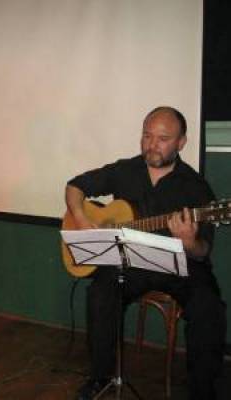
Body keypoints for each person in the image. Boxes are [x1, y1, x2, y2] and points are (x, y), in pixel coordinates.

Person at [66, 106, 226, 400]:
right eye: (146, 136)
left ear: (181, 143)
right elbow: (75, 186)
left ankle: (203, 391)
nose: (152, 144)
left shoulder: (196, 188)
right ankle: (100, 378)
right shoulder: (125, 169)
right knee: (100, 292)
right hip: (131, 261)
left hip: (181, 264)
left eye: (162, 138)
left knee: (208, 307)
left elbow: (203, 251)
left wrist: (189, 241)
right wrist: (80, 216)